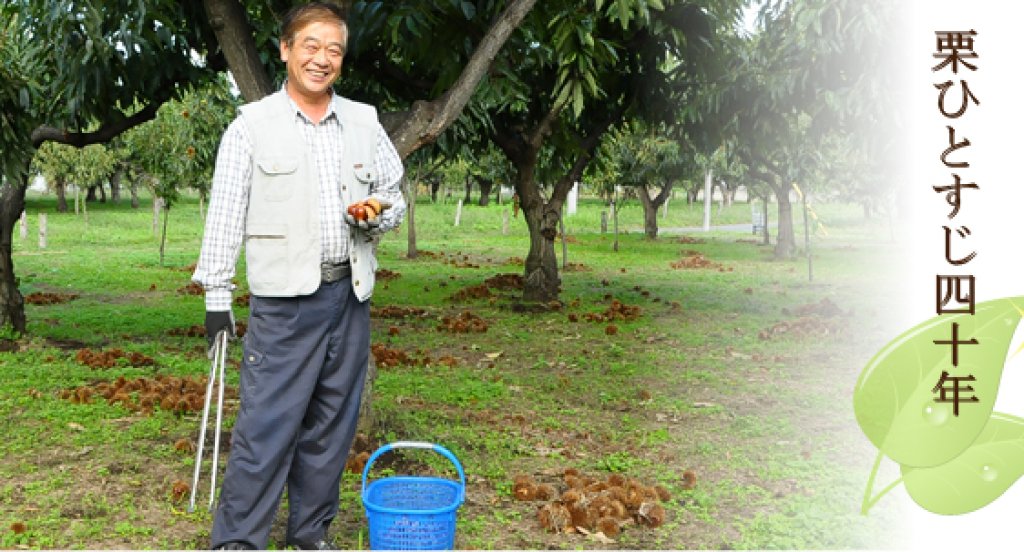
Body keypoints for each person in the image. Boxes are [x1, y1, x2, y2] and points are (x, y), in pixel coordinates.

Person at [190, 3, 405, 549]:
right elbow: (225, 214)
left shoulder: (364, 121)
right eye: (311, 45)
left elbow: (393, 194)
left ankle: (310, 537)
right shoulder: (251, 126)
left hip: (349, 297)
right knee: (265, 431)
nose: (322, 58)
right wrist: (218, 297)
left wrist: (377, 211)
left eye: (334, 49)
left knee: (331, 432)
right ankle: (237, 543)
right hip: (285, 306)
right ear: (285, 49)